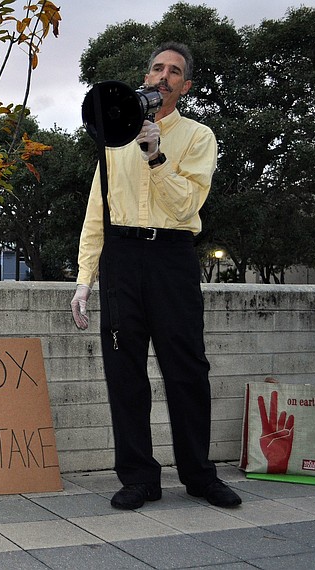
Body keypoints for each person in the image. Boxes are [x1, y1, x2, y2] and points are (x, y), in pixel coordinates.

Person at [70, 42, 241, 510]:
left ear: (186, 86)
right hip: (121, 258)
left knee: (187, 369)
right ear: (146, 77)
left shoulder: (199, 136)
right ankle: (139, 478)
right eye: (157, 68)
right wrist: (85, 279)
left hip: (172, 257)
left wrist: (156, 156)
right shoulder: (113, 137)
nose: (163, 76)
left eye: (174, 71)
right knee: (124, 372)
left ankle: (199, 475)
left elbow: (187, 204)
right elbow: (97, 212)